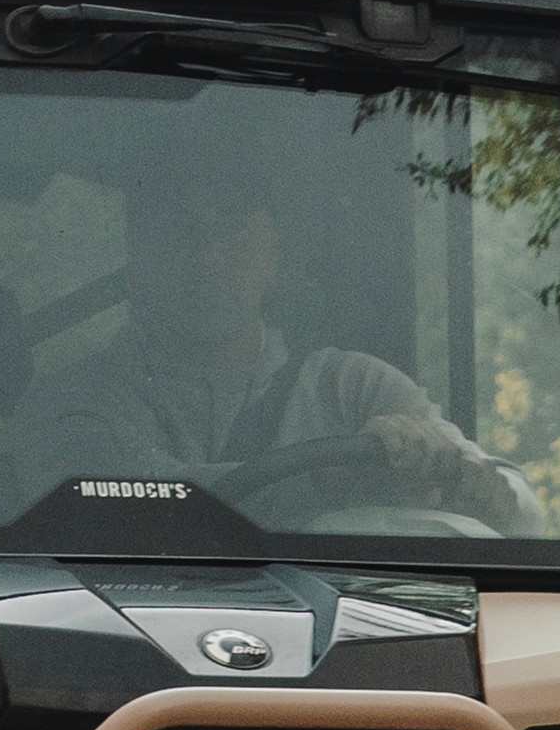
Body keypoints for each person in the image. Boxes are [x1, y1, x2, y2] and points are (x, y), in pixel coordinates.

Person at [30, 135, 529, 525]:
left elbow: (523, 516)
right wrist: (328, 480)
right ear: (135, 256)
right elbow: (114, 505)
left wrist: (455, 473)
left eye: (232, 229)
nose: (206, 258)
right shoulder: (74, 401)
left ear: (275, 254)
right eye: (178, 232)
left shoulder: (355, 388)